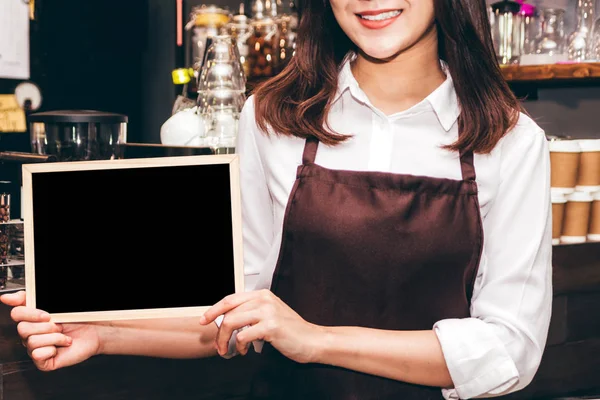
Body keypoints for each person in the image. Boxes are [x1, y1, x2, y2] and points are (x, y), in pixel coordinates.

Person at [1, 0, 553, 399]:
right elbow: (238, 304)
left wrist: (315, 341)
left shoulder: (510, 139)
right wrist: (101, 332)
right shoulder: (272, 118)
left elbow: (507, 351)